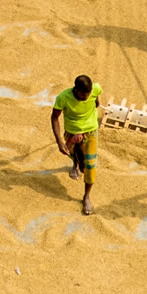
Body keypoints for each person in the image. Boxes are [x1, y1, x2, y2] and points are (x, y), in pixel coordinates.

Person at [51, 74, 102, 215]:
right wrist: (59, 141)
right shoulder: (63, 98)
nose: (86, 97)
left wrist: (92, 111)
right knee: (73, 155)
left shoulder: (96, 89)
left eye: (89, 94)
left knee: (90, 166)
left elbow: (97, 103)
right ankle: (75, 164)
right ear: (76, 90)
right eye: (83, 95)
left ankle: (86, 196)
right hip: (72, 134)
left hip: (90, 132)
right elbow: (55, 117)